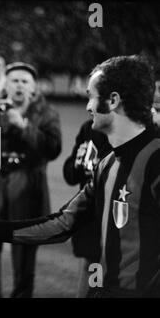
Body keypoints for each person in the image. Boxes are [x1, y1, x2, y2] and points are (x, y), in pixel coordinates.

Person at [0, 55, 160, 298]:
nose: (87, 106)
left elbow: (50, 148)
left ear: (113, 100)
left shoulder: (155, 162)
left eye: (91, 96)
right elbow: (62, 224)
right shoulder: (106, 165)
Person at [0, 62, 62, 298]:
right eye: (14, 80)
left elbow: (53, 149)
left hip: (27, 196)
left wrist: (23, 125)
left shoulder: (47, 113)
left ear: (33, 87)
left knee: (24, 264)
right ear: (5, 85)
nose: (19, 85)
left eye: (24, 81)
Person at [62, 118, 111, 297]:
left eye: (94, 98)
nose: (89, 106)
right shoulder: (88, 128)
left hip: (117, 225)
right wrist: (77, 163)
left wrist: (99, 168)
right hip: (91, 224)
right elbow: (70, 175)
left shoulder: (126, 132)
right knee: (91, 274)